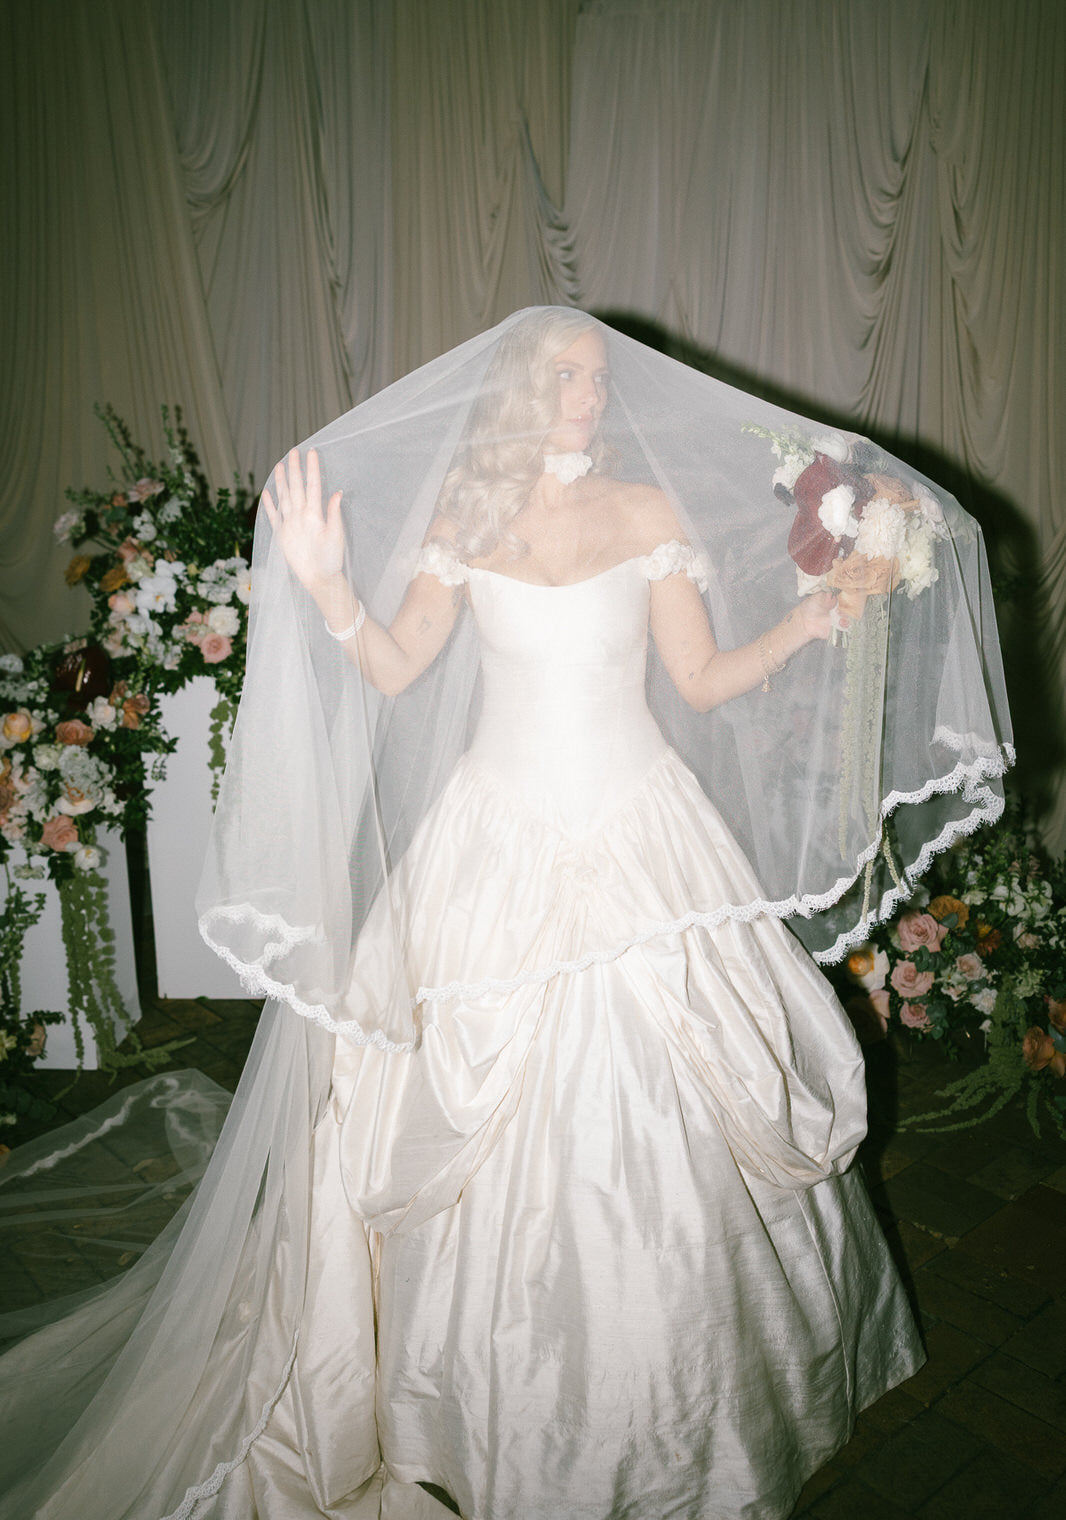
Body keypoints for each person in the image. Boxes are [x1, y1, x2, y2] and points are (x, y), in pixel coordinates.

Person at [0, 309, 1010, 1519]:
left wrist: (808, 618)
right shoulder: (465, 522)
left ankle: (683, 1412)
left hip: (642, 832)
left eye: (594, 376)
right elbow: (390, 665)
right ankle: (473, 1407)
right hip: (494, 839)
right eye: (565, 376)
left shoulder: (646, 514)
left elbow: (698, 679)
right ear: (521, 395)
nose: (587, 394)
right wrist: (327, 588)